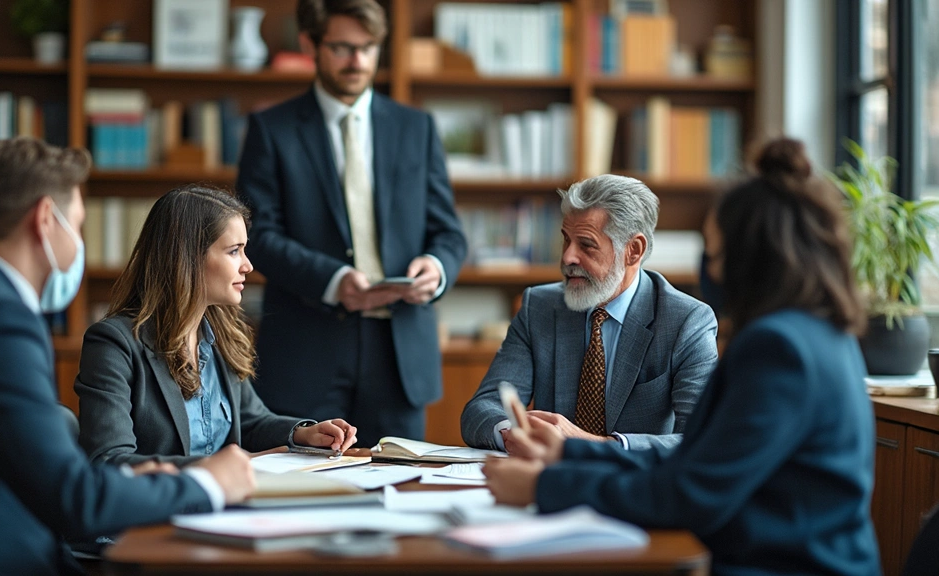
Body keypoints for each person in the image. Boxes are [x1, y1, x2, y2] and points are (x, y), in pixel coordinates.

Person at [483, 139, 881, 575]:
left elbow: (692, 491)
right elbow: (699, 456)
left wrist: (544, 485)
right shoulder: (813, 332)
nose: (706, 268)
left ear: (751, 260)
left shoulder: (778, 348)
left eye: (714, 252)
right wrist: (567, 455)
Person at [0, 138, 257, 575]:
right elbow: (75, 498)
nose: (78, 243)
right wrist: (207, 482)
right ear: (44, 219)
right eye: (76, 225)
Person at [236, 0, 466, 446]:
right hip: (307, 348)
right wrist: (334, 279)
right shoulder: (270, 129)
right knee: (304, 496)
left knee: (400, 491)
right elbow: (258, 236)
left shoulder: (415, 128)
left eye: (368, 48)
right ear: (310, 45)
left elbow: (449, 232)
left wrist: (436, 269)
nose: (357, 61)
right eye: (342, 47)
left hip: (399, 351)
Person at [75, 185, 358, 466]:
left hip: (232, 502)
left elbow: (250, 419)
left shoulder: (223, 335)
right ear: (188, 257)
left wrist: (303, 433)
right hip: (165, 505)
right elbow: (109, 459)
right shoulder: (114, 344)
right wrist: (212, 469)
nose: (247, 265)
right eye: (234, 251)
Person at [461, 175, 718, 453]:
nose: (567, 258)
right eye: (566, 240)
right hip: (548, 483)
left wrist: (590, 446)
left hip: (634, 487)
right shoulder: (540, 307)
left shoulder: (686, 321)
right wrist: (515, 434)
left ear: (633, 250)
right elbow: (482, 408)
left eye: (586, 245)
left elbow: (702, 439)